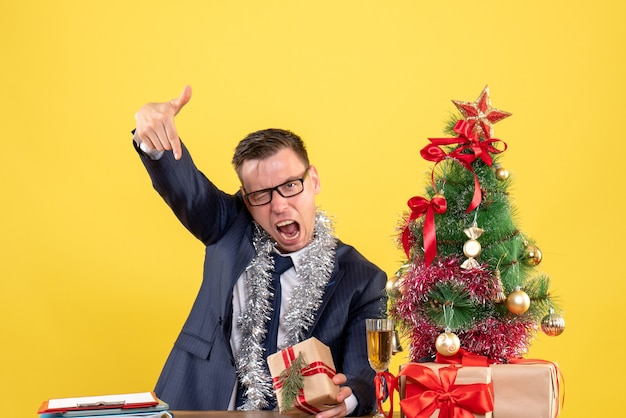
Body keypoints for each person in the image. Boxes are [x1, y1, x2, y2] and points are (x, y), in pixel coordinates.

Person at [132, 86, 388, 417]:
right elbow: (190, 192)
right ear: (246, 198)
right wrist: (152, 138)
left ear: (313, 181)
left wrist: (347, 399)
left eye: (290, 186)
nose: (279, 205)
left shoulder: (363, 279)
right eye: (262, 195)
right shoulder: (229, 226)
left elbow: (363, 375)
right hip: (197, 406)